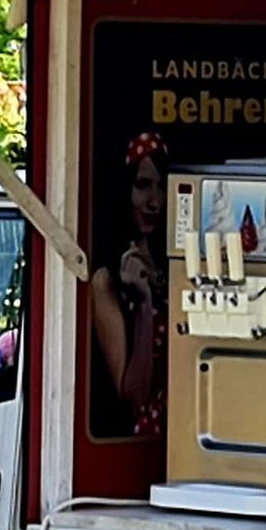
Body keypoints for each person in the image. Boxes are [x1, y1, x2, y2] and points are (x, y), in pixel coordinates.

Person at [89, 132, 169, 440]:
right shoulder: (106, 280)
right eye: (143, 185)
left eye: (162, 186)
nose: (154, 201)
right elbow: (133, 395)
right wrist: (144, 305)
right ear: (124, 190)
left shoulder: (176, 265)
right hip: (142, 437)